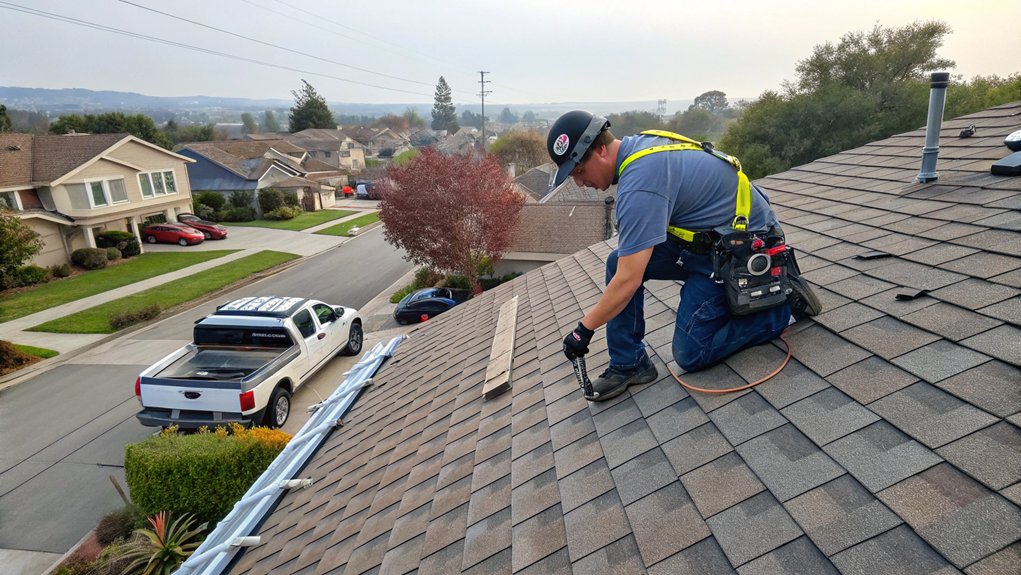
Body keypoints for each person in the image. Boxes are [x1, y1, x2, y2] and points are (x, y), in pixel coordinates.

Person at [548, 110, 821, 401]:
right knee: (618, 262)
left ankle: (779, 307)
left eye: (579, 171)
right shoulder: (641, 145)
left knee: (691, 352)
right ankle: (629, 364)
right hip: (706, 239)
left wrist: (583, 331)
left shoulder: (640, 184)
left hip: (741, 249)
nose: (579, 182)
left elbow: (629, 280)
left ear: (601, 150)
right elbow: (627, 268)